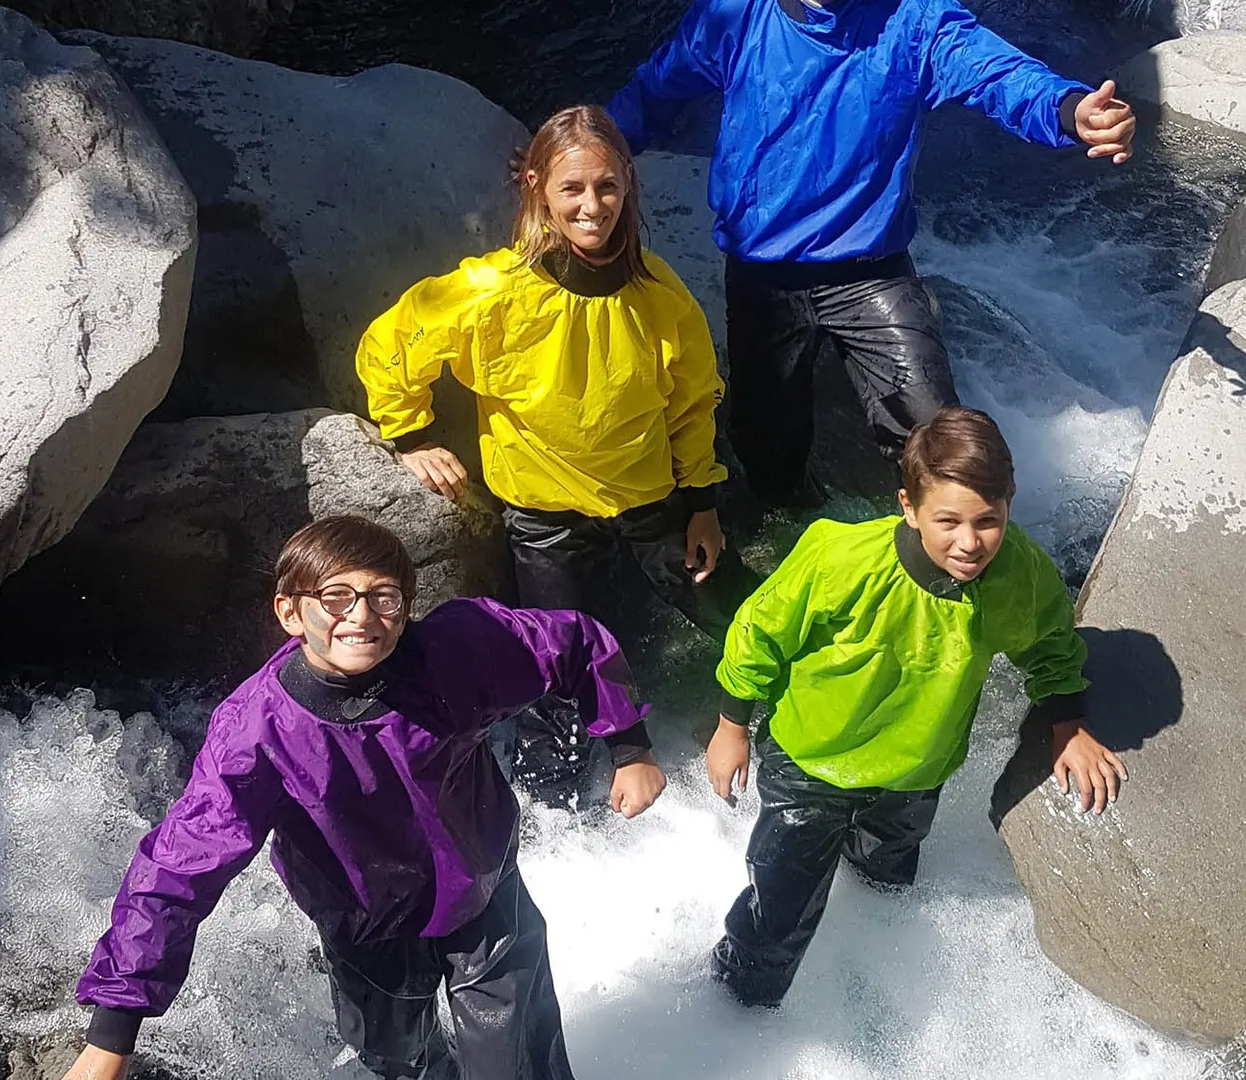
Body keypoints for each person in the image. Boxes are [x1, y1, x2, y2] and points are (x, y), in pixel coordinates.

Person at [59, 515, 665, 1080]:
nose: (363, 616)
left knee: (518, 1058)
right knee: (399, 1057)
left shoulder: (458, 650)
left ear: (406, 610)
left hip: (483, 891)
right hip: (366, 923)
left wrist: (629, 746)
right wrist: (113, 1029)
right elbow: (179, 867)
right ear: (290, 613)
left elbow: (574, 643)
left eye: (384, 597)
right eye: (336, 597)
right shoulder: (256, 731)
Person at [356, 104, 760, 803]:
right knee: (556, 670)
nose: (591, 206)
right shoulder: (492, 293)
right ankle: (565, 812)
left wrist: (702, 505)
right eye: (573, 189)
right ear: (539, 187)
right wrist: (411, 433)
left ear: (628, 185)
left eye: (606, 187)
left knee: (750, 617)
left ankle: (784, 727)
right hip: (545, 517)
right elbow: (395, 342)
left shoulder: (661, 298)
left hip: (648, 501)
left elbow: (693, 407)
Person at [608, 0, 1138, 508]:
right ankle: (798, 527)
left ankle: (945, 562)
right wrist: (586, 150)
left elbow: (998, 73)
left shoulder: (913, 17)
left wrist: (1071, 110)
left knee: (936, 440)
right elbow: (657, 90)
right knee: (767, 451)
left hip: (870, 272)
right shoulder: (736, 13)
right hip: (763, 274)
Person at [703, 406, 1126, 1006]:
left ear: (1010, 504)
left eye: (989, 520)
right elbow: (759, 633)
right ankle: (734, 1008)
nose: (970, 541)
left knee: (887, 879)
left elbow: (1051, 646)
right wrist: (731, 726)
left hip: (914, 775)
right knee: (779, 910)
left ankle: (871, 968)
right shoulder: (841, 559)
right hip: (811, 764)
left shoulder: (1021, 575)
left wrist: (1068, 726)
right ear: (908, 505)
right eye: (947, 520)